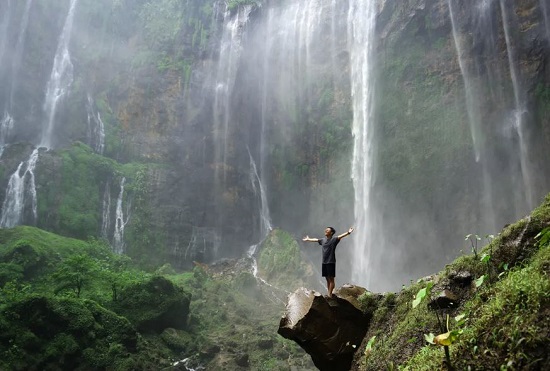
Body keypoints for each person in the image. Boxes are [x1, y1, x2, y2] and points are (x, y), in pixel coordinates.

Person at [302, 226, 354, 298]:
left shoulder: (334, 240)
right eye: (326, 230)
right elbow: (316, 240)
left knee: (331, 279)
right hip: (324, 262)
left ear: (331, 232)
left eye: (327, 230)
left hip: (331, 262)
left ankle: (329, 295)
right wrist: (308, 239)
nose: (325, 230)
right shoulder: (323, 240)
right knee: (327, 279)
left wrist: (348, 232)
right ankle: (329, 293)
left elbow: (341, 236)